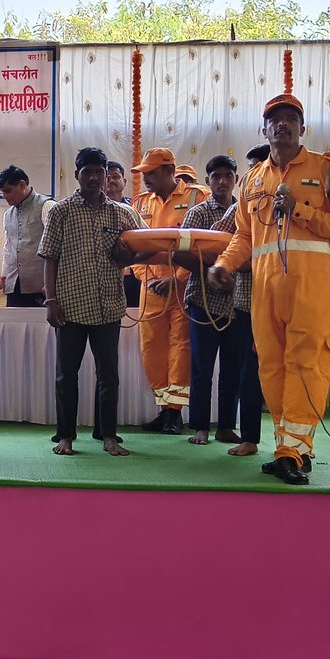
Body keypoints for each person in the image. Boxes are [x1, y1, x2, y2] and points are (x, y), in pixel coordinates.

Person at [209, 94, 330, 485]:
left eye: (291, 118)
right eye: (274, 119)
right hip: (265, 294)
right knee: (272, 368)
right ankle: (290, 447)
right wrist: (224, 265)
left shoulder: (329, 170)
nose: (282, 124)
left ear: (302, 128)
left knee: (306, 364)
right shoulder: (252, 180)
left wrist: (301, 210)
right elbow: (244, 236)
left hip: (310, 290)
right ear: (264, 129)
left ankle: (291, 452)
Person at [43, 148, 144, 456]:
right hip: (70, 306)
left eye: (98, 171)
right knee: (66, 376)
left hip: (109, 306)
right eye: (86, 171)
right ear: (77, 175)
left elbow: (143, 249)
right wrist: (50, 301)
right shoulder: (61, 211)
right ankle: (66, 436)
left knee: (109, 376)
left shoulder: (121, 213)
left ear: (106, 174)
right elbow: (49, 258)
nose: (93, 177)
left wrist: (130, 255)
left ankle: (109, 437)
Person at [130, 147, 210, 434]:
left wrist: (178, 278)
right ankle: (163, 409)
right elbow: (133, 247)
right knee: (151, 348)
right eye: (143, 174)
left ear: (169, 171)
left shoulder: (197, 198)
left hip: (184, 288)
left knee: (181, 346)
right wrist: (146, 277)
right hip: (151, 288)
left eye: (150, 173)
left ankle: (174, 413)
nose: (146, 179)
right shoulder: (139, 203)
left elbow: (204, 246)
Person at [174, 155, 244, 447]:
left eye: (228, 176)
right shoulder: (197, 214)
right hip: (202, 300)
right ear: (208, 181)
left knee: (233, 369)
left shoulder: (246, 213)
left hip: (238, 303)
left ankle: (226, 426)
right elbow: (180, 254)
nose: (223, 182)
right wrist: (213, 271)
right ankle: (200, 426)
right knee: (202, 368)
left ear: (236, 180)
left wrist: (232, 274)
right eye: (216, 176)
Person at [211, 144, 268, 456]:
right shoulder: (243, 205)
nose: (254, 174)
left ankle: (298, 443)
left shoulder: (294, 198)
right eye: (251, 169)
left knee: (291, 371)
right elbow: (219, 242)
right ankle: (250, 438)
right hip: (248, 303)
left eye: (258, 166)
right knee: (250, 373)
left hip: (289, 301)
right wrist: (237, 262)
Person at [0, 165, 53, 306]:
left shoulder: (47, 206)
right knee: (13, 327)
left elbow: (56, 247)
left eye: (8, 191)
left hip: (41, 287)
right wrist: (4, 276)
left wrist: (52, 283)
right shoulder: (8, 214)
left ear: (22, 185)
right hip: (14, 285)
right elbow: (8, 248)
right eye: (2, 192)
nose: (5, 196)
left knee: (41, 328)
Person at [104, 161, 140, 310]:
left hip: (134, 277)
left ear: (124, 182)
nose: (110, 180)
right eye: (106, 177)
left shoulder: (135, 208)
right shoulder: (93, 211)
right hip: (105, 277)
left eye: (115, 176)